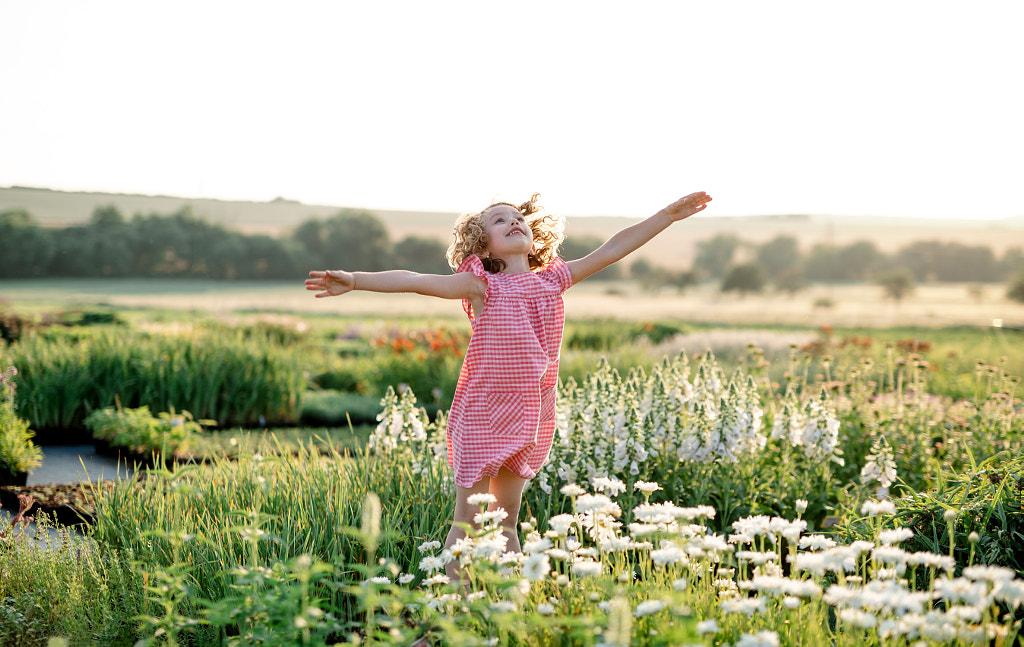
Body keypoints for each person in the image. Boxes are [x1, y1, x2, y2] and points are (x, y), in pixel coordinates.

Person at [305, 191, 712, 580]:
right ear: (483, 247)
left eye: (518, 218)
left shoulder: (553, 280)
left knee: (507, 522)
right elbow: (414, 279)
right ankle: (454, 606)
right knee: (469, 523)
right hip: (483, 412)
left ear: (532, 238)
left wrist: (667, 216)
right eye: (500, 220)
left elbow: (612, 249)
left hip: (531, 414)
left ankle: (510, 605)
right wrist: (355, 279)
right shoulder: (480, 286)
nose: (514, 221)